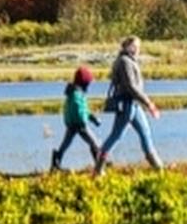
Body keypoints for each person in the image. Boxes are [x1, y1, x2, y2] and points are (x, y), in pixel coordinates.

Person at [95, 36, 162, 173]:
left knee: (145, 133)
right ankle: (98, 169)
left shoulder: (129, 61)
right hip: (127, 103)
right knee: (116, 135)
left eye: (138, 47)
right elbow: (131, 86)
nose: (137, 49)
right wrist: (148, 103)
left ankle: (158, 167)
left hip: (135, 104)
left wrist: (144, 103)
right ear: (127, 47)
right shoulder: (124, 62)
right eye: (135, 46)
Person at [51, 65, 102, 172]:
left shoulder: (72, 92)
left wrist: (92, 117)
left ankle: (56, 162)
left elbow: (81, 110)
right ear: (84, 83)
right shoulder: (77, 94)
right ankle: (99, 164)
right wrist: (86, 120)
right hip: (80, 124)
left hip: (71, 122)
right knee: (94, 142)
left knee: (66, 143)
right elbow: (81, 110)